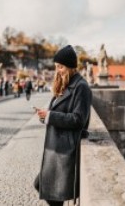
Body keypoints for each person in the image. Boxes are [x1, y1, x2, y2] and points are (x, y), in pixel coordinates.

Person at [34, 45, 92, 206]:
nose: (58, 70)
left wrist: (50, 116)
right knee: (46, 189)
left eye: (61, 67)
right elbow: (59, 111)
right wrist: (45, 115)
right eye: (57, 67)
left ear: (70, 66)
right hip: (57, 147)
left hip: (65, 149)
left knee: (50, 191)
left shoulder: (81, 87)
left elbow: (78, 119)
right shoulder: (66, 83)